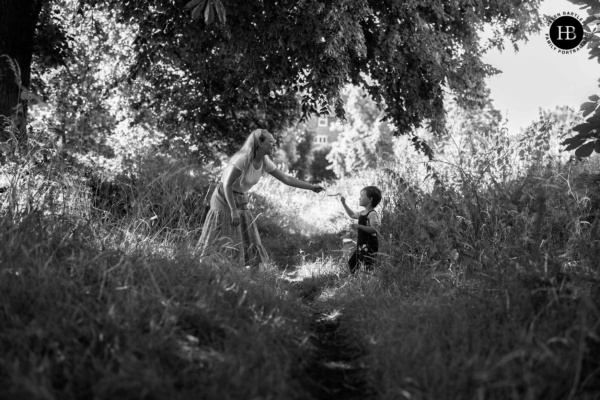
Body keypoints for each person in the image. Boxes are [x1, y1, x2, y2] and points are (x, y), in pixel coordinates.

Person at [198, 128, 324, 268]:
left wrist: (311, 187)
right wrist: (233, 210)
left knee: (249, 236)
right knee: (224, 236)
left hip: (240, 198)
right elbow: (227, 185)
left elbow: (286, 178)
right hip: (223, 198)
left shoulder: (264, 161)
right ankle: (211, 269)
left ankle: (241, 271)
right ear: (259, 143)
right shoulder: (243, 159)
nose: (274, 144)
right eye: (271, 142)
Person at [340, 186, 382, 274]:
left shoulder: (372, 214)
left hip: (369, 245)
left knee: (368, 265)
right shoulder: (362, 213)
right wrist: (344, 204)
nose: (360, 198)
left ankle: (369, 282)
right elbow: (352, 215)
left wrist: (359, 226)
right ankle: (355, 280)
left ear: (370, 199)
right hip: (361, 245)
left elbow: (375, 229)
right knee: (352, 263)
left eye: (362, 196)